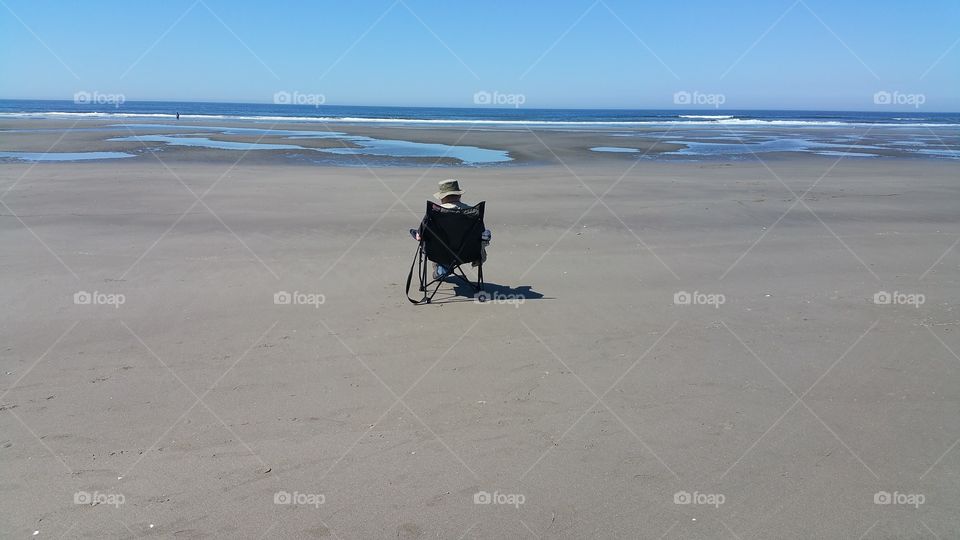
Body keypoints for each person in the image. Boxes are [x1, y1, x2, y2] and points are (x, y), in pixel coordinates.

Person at [410, 179, 490, 280]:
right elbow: (481, 234)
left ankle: (442, 269)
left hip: (439, 253)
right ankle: (444, 267)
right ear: (459, 195)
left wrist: (415, 233)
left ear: (442, 197)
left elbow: (419, 237)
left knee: (430, 238)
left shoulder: (435, 213)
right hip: (468, 253)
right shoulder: (473, 213)